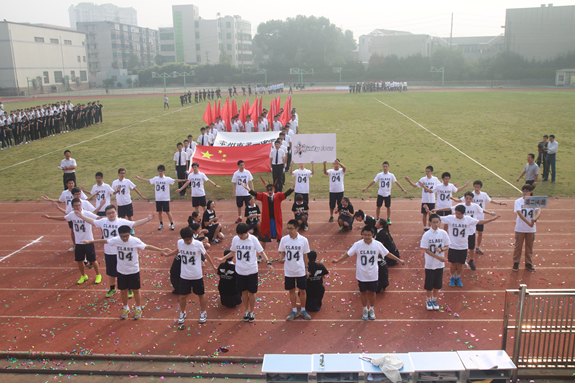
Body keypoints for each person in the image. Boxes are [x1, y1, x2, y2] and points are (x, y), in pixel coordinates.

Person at [85, 226, 168, 320]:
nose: (124, 238)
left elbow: (146, 246)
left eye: (127, 236)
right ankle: (125, 308)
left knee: (136, 290)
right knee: (123, 291)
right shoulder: (116, 240)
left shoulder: (135, 240)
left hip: (133, 270)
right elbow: (105, 241)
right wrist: (90, 242)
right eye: (122, 236)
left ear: (130, 233)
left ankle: (138, 308)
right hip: (121, 270)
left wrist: (160, 250)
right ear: (119, 235)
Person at [75, 204, 154, 297]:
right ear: (106, 214)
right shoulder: (103, 221)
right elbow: (92, 221)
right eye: (108, 213)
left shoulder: (121, 221)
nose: (111, 215)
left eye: (112, 212)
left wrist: (147, 219)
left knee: (125, 272)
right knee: (111, 272)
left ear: (116, 212)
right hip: (108, 252)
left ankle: (129, 289)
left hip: (120, 252)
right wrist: (81, 216)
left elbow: (134, 224)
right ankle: (112, 288)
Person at [332, 226, 404, 320]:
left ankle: (372, 309)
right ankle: (365, 309)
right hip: (361, 274)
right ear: (362, 234)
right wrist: (338, 260)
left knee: (372, 292)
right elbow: (348, 254)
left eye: (369, 235)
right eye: (365, 234)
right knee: (363, 292)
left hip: (373, 273)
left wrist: (399, 260)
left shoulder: (377, 244)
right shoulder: (357, 244)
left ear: (372, 235)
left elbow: (387, 253)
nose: (366, 237)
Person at [216, 223, 272, 323]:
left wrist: (268, 262)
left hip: (251, 270)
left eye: (241, 234)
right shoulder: (236, 239)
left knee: (252, 292)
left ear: (247, 232)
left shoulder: (253, 239)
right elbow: (233, 252)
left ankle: (252, 311)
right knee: (244, 292)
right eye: (238, 234)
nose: (240, 236)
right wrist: (223, 258)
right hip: (240, 270)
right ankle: (246, 311)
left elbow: (261, 251)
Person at [41, 198, 103, 285]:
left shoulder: (87, 213)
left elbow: (98, 218)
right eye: (75, 206)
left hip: (88, 241)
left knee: (92, 260)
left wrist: (110, 218)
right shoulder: (72, 214)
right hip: (78, 242)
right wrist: (49, 217)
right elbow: (63, 218)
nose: (77, 207)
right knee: (79, 260)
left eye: (79, 205)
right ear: (72, 206)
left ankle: (98, 275)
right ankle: (83, 275)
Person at [163, 227, 216, 325]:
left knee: (201, 295)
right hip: (184, 275)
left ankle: (203, 312)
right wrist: (167, 255)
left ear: (192, 237)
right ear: (182, 238)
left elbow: (206, 255)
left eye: (189, 239)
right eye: (185, 240)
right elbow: (177, 250)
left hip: (197, 275)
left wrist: (213, 266)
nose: (187, 241)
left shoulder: (198, 244)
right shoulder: (180, 243)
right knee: (183, 296)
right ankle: (182, 313)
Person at [439, 204, 500, 287]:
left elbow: (480, 222)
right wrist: (429, 211)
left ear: (463, 213)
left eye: (459, 214)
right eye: (456, 213)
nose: (457, 215)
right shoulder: (451, 218)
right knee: (453, 264)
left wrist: (492, 219)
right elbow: (438, 218)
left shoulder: (468, 219)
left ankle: (458, 277)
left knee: (460, 264)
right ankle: (452, 277)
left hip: (463, 246)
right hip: (453, 246)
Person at [242, 180, 294, 250]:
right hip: (267, 220)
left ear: (274, 190)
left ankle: (280, 254)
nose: (270, 192)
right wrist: (247, 188)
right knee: (264, 238)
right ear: (266, 191)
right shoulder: (263, 196)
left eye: (271, 190)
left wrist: (293, 187)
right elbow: (255, 194)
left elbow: (286, 194)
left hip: (276, 220)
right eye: (268, 190)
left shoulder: (278, 195)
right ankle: (261, 255)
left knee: (279, 238)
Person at [463, 180, 507, 256]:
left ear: (481, 187)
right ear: (473, 186)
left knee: (480, 233)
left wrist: (500, 203)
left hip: (480, 218)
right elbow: (462, 201)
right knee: (469, 234)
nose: (476, 188)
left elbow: (490, 201)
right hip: (471, 219)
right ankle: (466, 248)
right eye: (475, 186)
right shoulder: (471, 195)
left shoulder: (484, 194)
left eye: (478, 187)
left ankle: (478, 247)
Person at [279, 219, 311, 320]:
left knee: (302, 291)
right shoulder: (284, 239)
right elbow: (282, 251)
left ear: (297, 228)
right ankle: (294, 311)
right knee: (291, 291)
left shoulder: (303, 240)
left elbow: (305, 255)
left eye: (291, 228)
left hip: (300, 269)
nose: (289, 230)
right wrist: (281, 257)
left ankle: (303, 309)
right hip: (289, 270)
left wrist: (306, 269)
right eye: (288, 228)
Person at [135, 165, 183, 231]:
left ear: (164, 171)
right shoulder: (155, 179)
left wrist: (183, 180)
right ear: (158, 171)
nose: (160, 172)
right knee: (159, 212)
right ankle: (161, 224)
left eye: (161, 171)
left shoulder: (167, 179)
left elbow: (175, 180)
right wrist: (139, 178)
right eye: (159, 171)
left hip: (165, 198)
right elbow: (148, 180)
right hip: (158, 198)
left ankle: (172, 223)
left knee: (167, 212)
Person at [420, 214, 450, 310]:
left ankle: (434, 299)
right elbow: (426, 249)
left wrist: (441, 249)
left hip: (440, 264)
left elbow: (447, 246)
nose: (436, 224)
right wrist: (438, 257)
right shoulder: (427, 234)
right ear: (430, 222)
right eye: (434, 222)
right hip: (430, 263)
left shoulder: (443, 233)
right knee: (429, 284)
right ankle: (428, 299)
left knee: (438, 283)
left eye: (438, 222)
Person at [513, 184, 541, 271]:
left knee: (529, 247)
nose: (525, 193)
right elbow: (520, 213)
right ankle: (516, 263)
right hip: (520, 228)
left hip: (531, 229)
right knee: (518, 246)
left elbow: (539, 211)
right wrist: (528, 222)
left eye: (527, 191)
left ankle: (528, 263)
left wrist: (535, 219)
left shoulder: (534, 201)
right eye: (524, 191)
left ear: (530, 192)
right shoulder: (518, 201)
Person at [405, 166, 441, 231]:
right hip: (425, 199)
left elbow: (440, 186)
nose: (427, 173)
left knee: (430, 214)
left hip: (432, 200)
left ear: (432, 172)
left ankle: (430, 227)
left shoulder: (435, 179)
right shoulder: (423, 179)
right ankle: (425, 227)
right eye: (426, 171)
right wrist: (408, 181)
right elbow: (415, 185)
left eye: (428, 171)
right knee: (424, 214)